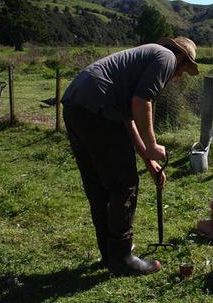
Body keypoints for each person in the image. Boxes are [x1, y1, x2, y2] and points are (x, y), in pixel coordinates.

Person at [62, 37, 199, 276]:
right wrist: (153, 144)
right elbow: (142, 102)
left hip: (76, 105)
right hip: (99, 109)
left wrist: (149, 160)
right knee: (124, 184)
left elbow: (128, 118)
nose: (177, 77)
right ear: (180, 58)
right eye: (182, 71)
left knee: (98, 185)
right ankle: (122, 257)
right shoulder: (166, 57)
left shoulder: (143, 56)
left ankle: (109, 251)